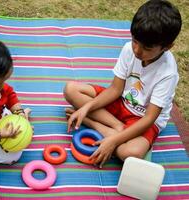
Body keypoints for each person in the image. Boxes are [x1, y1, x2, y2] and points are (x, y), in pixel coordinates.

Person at [64, 0, 182, 168]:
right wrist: (86, 108)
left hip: (143, 119)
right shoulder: (129, 49)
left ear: (167, 47)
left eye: (147, 48)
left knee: (130, 154)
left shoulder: (168, 73)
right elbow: (115, 89)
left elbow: (149, 119)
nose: (137, 50)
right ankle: (117, 127)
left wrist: (112, 141)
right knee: (71, 89)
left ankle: (93, 123)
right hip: (122, 103)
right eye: (135, 41)